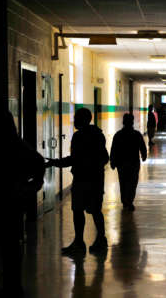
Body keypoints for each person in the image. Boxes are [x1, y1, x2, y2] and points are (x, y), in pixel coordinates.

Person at [0, 107, 45, 296]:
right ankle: (11, 283)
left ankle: (12, 285)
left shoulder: (3, 147)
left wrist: (28, 188)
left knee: (9, 245)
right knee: (9, 245)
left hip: (7, 203)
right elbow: (38, 164)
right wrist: (30, 188)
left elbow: (38, 164)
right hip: (11, 202)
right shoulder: (15, 145)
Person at [46, 107, 109, 254]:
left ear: (83, 119)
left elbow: (74, 160)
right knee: (95, 210)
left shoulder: (79, 137)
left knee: (78, 210)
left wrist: (54, 162)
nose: (74, 120)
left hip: (82, 179)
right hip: (96, 179)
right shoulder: (98, 135)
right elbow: (104, 158)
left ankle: (80, 243)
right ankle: (100, 239)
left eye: (76, 118)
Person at [110, 113, 147, 211]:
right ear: (132, 122)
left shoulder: (118, 135)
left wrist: (112, 162)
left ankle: (125, 201)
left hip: (121, 163)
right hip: (134, 163)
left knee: (123, 182)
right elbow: (142, 147)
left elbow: (113, 149)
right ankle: (129, 201)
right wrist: (144, 155)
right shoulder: (137, 134)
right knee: (132, 182)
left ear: (123, 122)